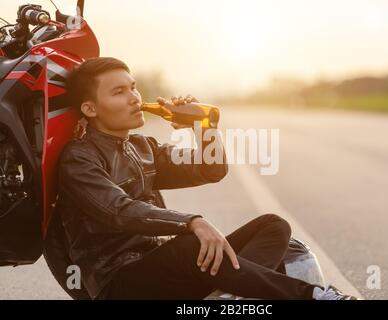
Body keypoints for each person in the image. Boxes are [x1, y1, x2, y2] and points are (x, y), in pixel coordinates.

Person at [55, 56, 357, 300]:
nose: (134, 97)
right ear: (89, 108)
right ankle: (316, 298)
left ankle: (226, 298)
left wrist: (203, 125)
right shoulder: (78, 158)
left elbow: (210, 169)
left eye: (133, 87)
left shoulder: (142, 147)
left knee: (273, 226)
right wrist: (191, 221)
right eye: (119, 92)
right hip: (120, 283)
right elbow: (119, 210)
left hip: (164, 271)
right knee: (190, 245)